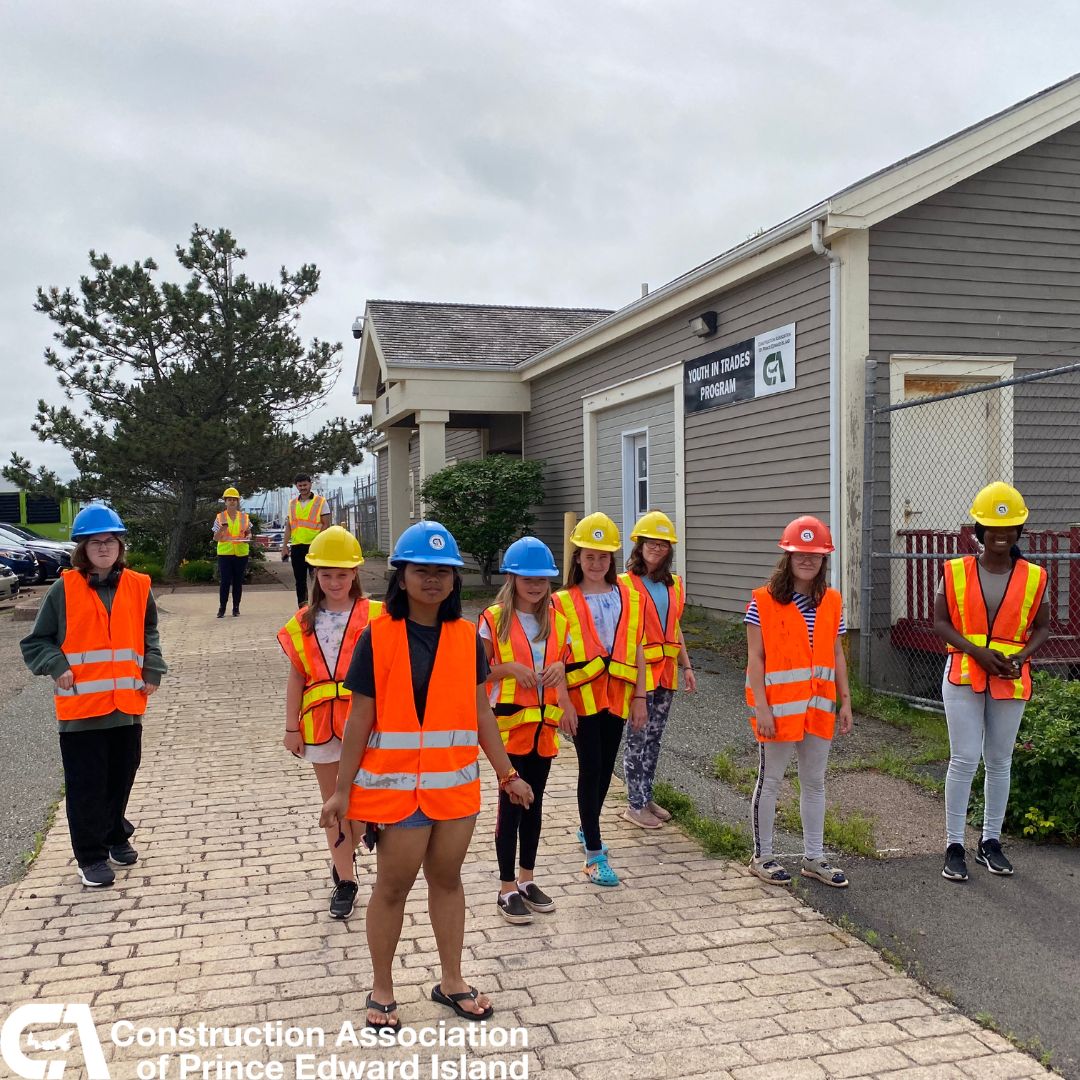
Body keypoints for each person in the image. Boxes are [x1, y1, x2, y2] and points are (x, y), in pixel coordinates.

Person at [320, 520, 533, 1033]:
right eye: (422, 570)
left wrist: (508, 773)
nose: (433, 580)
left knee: (448, 881)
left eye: (443, 572)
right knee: (392, 888)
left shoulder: (468, 639)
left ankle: (453, 981)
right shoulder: (379, 635)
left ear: (455, 580)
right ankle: (383, 988)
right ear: (402, 577)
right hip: (397, 794)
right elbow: (360, 719)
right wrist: (342, 790)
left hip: (454, 790)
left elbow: (480, 712)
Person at [20, 505, 166, 888]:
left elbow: (148, 632)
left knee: (121, 778)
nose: (104, 548)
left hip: (126, 705)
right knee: (88, 786)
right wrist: (56, 665)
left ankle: (115, 833)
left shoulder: (138, 585)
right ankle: (91, 857)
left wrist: (152, 666)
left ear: (120, 546)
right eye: (95, 542)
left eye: (111, 541)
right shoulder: (62, 589)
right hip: (82, 709)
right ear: (81, 548)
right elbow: (36, 641)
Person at [932, 482, 1049, 882]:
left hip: (1010, 678)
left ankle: (990, 842)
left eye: (1009, 528)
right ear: (979, 531)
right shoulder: (955, 571)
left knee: (999, 761)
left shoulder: (1034, 576)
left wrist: (1019, 656)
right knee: (964, 759)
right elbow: (940, 623)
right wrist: (978, 652)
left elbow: (1042, 627)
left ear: (1019, 532)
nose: (1001, 536)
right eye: (992, 529)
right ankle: (953, 846)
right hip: (965, 672)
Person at [277, 526, 382, 919]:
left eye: (342, 573)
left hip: (368, 725)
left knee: (361, 805)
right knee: (333, 806)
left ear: (355, 574)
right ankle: (346, 878)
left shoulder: (377, 615)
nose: (334, 581)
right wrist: (291, 728)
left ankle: (345, 857)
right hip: (320, 726)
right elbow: (296, 676)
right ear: (314, 576)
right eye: (326, 574)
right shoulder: (304, 620)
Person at [744, 516, 852, 888]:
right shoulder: (763, 601)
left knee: (814, 782)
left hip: (819, 706)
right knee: (771, 780)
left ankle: (814, 857)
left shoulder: (831, 600)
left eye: (815, 555)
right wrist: (761, 706)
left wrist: (846, 701)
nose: (807, 560)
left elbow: (836, 653)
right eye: (800, 554)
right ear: (787, 556)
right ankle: (763, 856)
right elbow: (755, 658)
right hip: (777, 709)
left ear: (824, 560)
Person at [478, 537, 575, 925]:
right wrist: (508, 670)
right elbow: (478, 673)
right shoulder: (492, 619)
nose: (535, 586)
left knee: (534, 804)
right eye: (527, 578)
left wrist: (560, 676)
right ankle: (505, 888)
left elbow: (561, 667)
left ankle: (527, 879)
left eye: (542, 580)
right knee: (511, 806)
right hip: (508, 726)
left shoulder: (561, 621)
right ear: (512, 578)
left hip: (543, 726)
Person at [552, 512, 646, 887]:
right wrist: (563, 703)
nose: (596, 563)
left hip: (619, 697)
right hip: (582, 699)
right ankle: (594, 852)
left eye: (603, 556)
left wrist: (640, 697)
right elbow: (554, 658)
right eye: (589, 556)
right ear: (577, 557)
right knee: (590, 767)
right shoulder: (561, 601)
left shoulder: (629, 596)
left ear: (612, 560)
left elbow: (637, 647)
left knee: (607, 768)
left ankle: (586, 822)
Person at [618, 511, 696, 829]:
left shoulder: (675, 584)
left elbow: (675, 628)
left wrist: (687, 666)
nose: (656, 547)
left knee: (654, 738)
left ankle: (645, 796)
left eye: (662, 543)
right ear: (639, 545)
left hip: (665, 674)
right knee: (637, 738)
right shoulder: (625, 584)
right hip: (639, 674)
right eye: (650, 541)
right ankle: (634, 805)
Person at [281, 474, 330, 607]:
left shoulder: (321, 502)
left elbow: (326, 524)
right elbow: (289, 526)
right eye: (300, 485)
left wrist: (318, 541)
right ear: (296, 486)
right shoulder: (292, 504)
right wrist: (284, 546)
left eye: (305, 485)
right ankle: (302, 608)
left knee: (317, 579)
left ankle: (319, 606)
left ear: (310, 484)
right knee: (300, 581)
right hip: (297, 546)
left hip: (314, 546)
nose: (303, 488)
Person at [214, 487, 251, 619]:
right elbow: (215, 537)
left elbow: (248, 532)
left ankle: (236, 608)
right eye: (229, 500)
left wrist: (248, 537)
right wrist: (222, 529)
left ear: (238, 501)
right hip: (225, 553)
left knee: (238, 581)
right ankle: (222, 608)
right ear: (225, 501)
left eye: (234, 500)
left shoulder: (244, 517)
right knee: (225, 581)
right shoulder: (220, 517)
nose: (232, 502)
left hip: (241, 553)